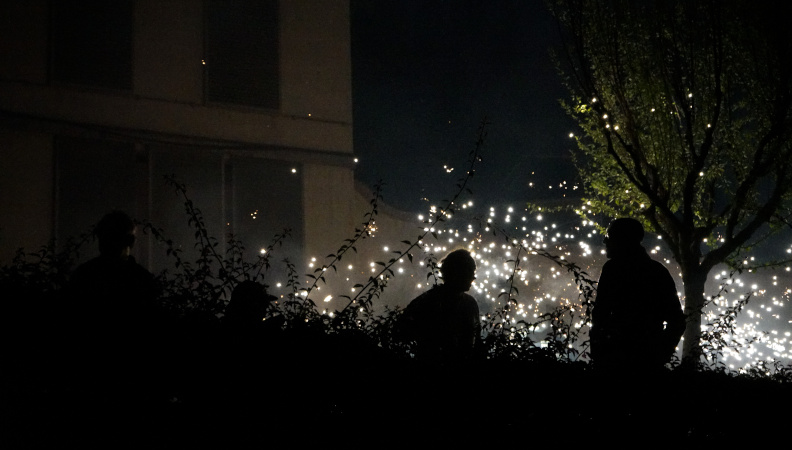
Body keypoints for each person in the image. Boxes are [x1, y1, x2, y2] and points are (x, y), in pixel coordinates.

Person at [590, 218, 686, 372]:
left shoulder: (612, 270)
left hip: (616, 360)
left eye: (609, 237)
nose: (604, 241)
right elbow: (677, 321)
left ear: (623, 240)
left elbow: (600, 314)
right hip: (645, 359)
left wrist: (598, 350)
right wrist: (661, 353)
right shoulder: (657, 271)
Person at [399, 249, 481, 363]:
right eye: (470, 272)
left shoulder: (469, 304)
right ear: (458, 273)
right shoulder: (429, 302)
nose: (473, 278)